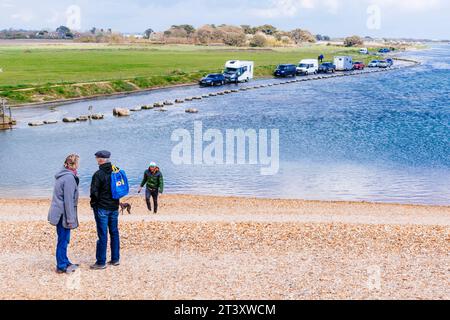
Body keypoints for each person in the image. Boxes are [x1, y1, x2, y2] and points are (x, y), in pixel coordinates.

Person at [48, 154, 80, 274]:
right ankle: (61, 266)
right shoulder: (69, 178)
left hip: (58, 212)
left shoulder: (62, 174)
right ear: (74, 164)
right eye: (77, 163)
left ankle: (65, 261)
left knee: (64, 239)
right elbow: (68, 201)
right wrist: (71, 219)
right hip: (63, 214)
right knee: (63, 240)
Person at [90, 150, 120, 270]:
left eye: (97, 158)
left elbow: (94, 192)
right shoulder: (116, 170)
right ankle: (115, 259)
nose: (97, 160)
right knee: (114, 233)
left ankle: (101, 262)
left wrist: (93, 204)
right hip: (114, 207)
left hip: (102, 207)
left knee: (102, 235)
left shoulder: (98, 174)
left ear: (101, 159)